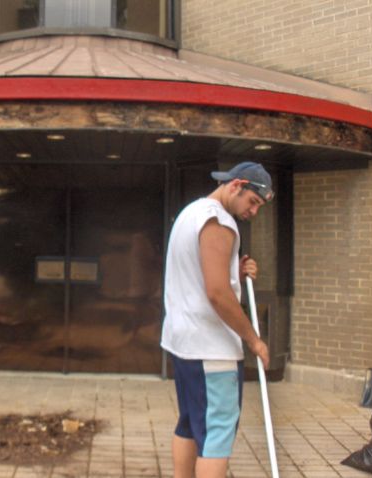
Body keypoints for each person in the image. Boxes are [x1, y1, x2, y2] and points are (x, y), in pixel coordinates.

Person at [161, 161, 274, 478]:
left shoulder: (191, 213)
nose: (253, 212)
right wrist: (254, 340)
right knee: (216, 437)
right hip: (212, 350)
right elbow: (217, 293)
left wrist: (235, 273)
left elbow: (201, 277)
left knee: (189, 424)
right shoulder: (220, 222)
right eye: (253, 202)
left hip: (184, 344)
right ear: (236, 185)